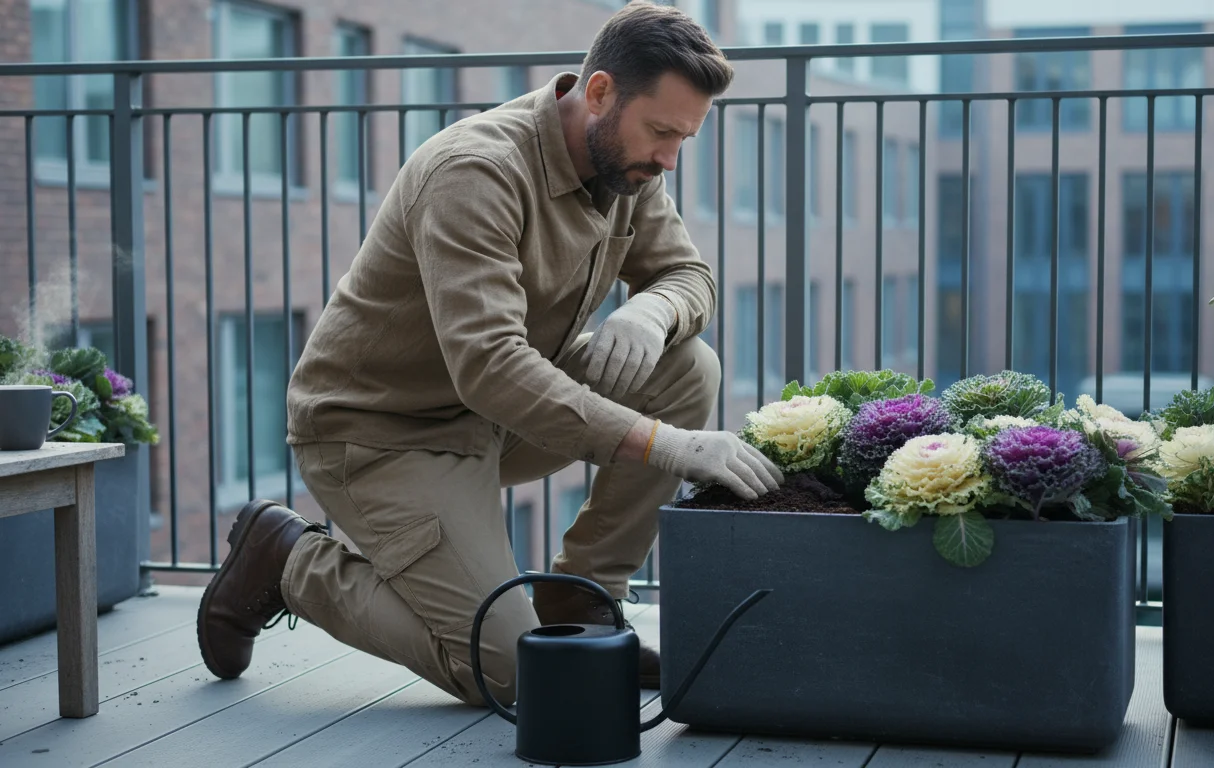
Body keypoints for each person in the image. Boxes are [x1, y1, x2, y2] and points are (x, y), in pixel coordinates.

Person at [195, 1, 783, 708]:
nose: (668, 159)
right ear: (598, 93)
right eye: (661, 132)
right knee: (513, 676)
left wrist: (654, 311)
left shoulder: (628, 168)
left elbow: (691, 276)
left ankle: (579, 599)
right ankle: (286, 559)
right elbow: (491, 365)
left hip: (496, 420)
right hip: (382, 433)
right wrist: (663, 445)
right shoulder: (475, 172)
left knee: (689, 367)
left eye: (684, 139)